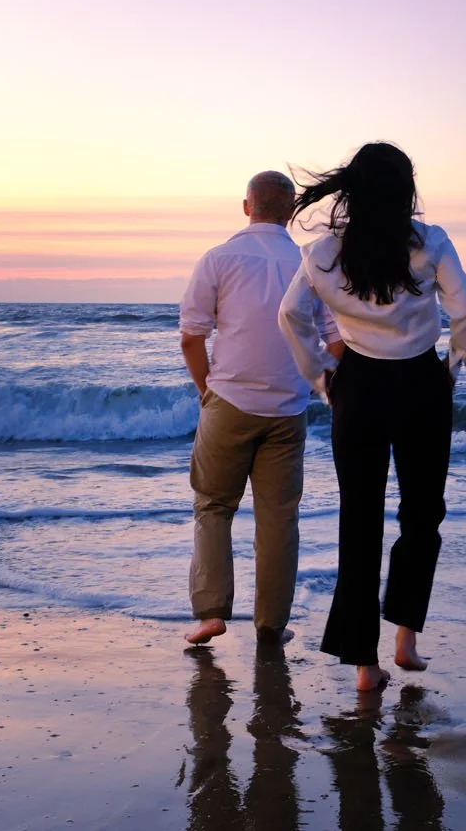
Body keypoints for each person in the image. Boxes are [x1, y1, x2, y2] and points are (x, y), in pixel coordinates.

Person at [278, 142, 466, 692]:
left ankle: (365, 667)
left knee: (359, 521)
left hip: (359, 389)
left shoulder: (324, 253)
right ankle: (406, 638)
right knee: (422, 514)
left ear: (354, 190)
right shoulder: (430, 243)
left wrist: (323, 379)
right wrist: (453, 366)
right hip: (420, 384)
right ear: (405, 190)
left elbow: (290, 315)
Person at [178, 171, 343, 647]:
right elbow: (337, 343)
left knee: (213, 505)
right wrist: (311, 383)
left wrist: (206, 389)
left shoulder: (219, 258)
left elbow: (192, 335)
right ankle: (271, 624)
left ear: (246, 206)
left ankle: (210, 614)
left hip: (228, 399)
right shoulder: (310, 262)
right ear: (289, 212)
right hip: (287, 409)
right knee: (278, 518)